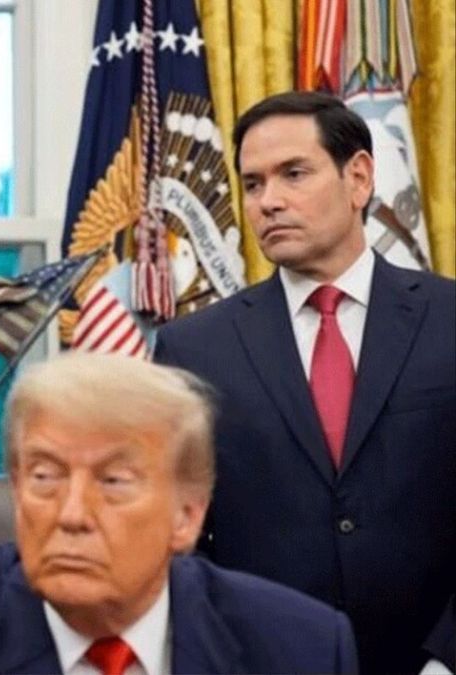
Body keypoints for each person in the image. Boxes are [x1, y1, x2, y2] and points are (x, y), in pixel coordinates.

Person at [153, 90, 455, 674]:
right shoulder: (193, 349)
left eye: (293, 174)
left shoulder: (448, 321)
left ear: (358, 178)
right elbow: (173, 535)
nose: (268, 201)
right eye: (253, 184)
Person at [0, 353, 358, 675]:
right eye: (45, 477)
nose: (72, 515)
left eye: (113, 482)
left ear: (186, 516)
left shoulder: (303, 649)